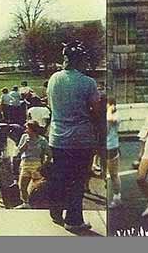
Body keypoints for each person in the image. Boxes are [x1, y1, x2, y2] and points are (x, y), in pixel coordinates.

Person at [46, 40, 102, 231]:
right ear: (80, 61)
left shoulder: (54, 79)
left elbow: (51, 106)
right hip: (80, 138)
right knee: (77, 180)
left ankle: (55, 211)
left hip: (57, 136)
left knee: (59, 176)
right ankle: (74, 219)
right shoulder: (88, 83)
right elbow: (96, 110)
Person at [14, 121, 50, 209]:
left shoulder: (42, 140)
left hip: (36, 164)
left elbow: (49, 154)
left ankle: (36, 203)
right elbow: (19, 151)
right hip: (25, 163)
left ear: (33, 130)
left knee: (36, 187)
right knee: (22, 185)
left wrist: (43, 165)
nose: (26, 131)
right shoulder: (24, 137)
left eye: (28, 129)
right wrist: (25, 144)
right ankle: (25, 203)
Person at [106, 97, 122, 208]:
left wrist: (110, 109)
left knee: (113, 174)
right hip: (101, 147)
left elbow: (110, 119)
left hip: (111, 147)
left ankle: (117, 197)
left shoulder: (115, 115)